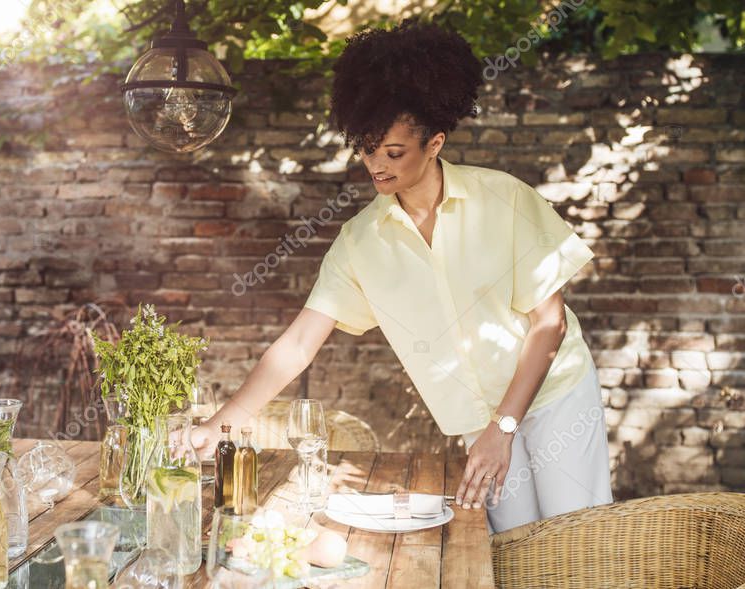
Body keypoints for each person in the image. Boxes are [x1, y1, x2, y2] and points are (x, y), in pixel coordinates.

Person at [191, 20, 612, 534]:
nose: (376, 166)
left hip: (554, 395)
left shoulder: (504, 199)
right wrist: (221, 423)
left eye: (393, 153)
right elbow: (299, 343)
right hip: (478, 420)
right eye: (367, 150)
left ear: (435, 143)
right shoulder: (361, 241)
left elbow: (550, 325)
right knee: (512, 549)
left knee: (577, 541)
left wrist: (505, 425)